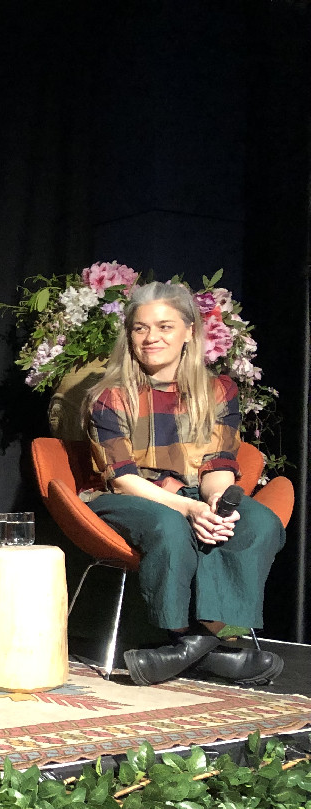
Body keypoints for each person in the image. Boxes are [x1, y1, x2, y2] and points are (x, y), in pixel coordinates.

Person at [85, 281, 285, 687]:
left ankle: (191, 649)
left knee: (261, 524)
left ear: (189, 331)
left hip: (196, 491)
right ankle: (184, 641)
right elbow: (122, 479)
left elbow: (219, 462)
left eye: (164, 326)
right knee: (169, 526)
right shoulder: (110, 397)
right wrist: (189, 509)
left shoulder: (217, 391)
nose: (151, 337)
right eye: (140, 328)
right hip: (131, 496)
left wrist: (211, 503)